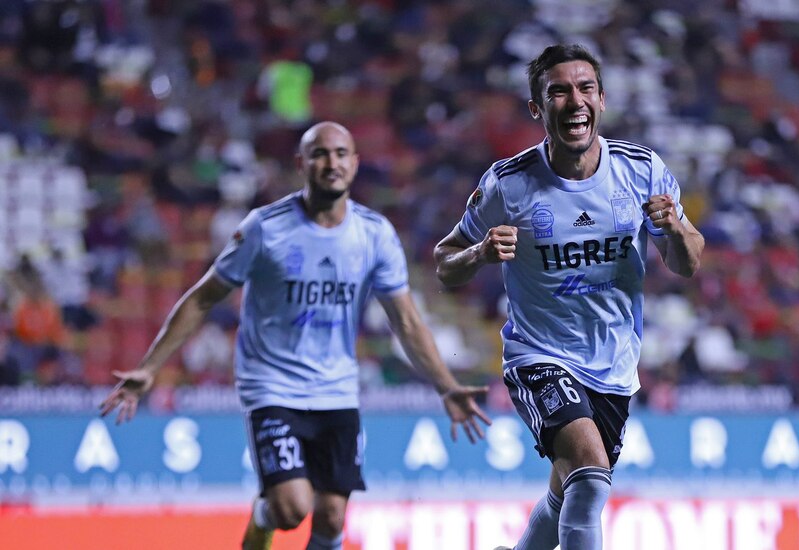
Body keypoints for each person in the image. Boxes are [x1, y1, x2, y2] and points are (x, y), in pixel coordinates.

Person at [100, 121, 492, 550]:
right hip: (272, 386)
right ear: (301, 164)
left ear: (355, 163)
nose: (331, 163)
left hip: (337, 389)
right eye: (319, 154)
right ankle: (264, 514)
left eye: (340, 154)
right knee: (291, 508)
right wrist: (149, 368)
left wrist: (447, 386)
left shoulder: (374, 234)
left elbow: (407, 321)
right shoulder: (264, 228)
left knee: (332, 516)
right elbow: (202, 297)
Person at [434, 44, 704, 550]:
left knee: (567, 493)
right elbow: (445, 263)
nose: (574, 101)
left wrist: (676, 228)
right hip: (538, 355)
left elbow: (687, 262)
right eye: (558, 92)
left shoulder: (641, 170)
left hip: (614, 367)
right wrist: (479, 253)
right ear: (537, 108)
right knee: (589, 472)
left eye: (585, 89)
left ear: (602, 100)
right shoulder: (508, 184)